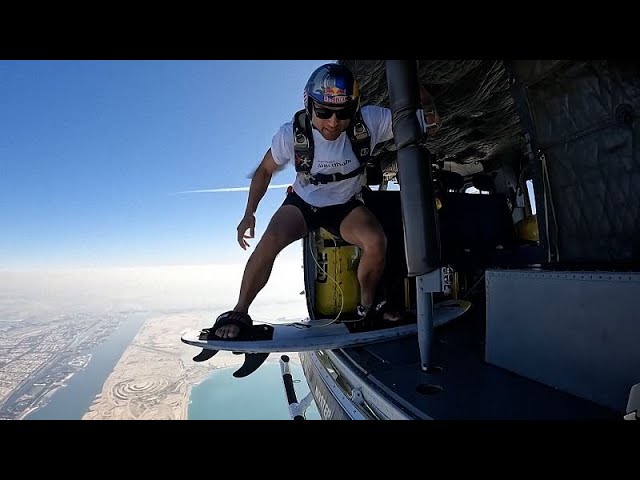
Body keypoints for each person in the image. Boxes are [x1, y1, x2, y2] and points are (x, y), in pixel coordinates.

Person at [212, 62, 440, 339]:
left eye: (343, 113)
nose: (333, 122)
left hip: (345, 205)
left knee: (375, 241)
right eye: (323, 112)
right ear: (309, 106)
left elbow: (425, 124)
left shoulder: (370, 122)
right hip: (303, 203)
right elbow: (264, 170)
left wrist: (421, 96)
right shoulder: (291, 135)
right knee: (270, 241)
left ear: (354, 108)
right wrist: (249, 214)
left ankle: (368, 305)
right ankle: (239, 311)